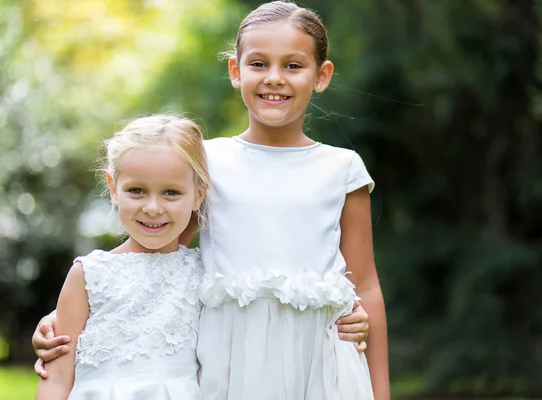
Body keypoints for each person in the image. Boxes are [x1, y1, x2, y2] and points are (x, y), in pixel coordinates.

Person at [33, 1, 387, 399]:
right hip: (231, 356)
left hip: (320, 355)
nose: (274, 78)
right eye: (258, 64)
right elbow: (155, 257)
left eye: (292, 65)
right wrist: (67, 317)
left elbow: (367, 285)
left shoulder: (342, 168)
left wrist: (379, 390)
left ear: (321, 76)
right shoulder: (206, 162)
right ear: (235, 71)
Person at [35, 115, 209, 399]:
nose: (153, 207)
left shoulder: (203, 270)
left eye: (171, 193)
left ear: (198, 195)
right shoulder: (89, 275)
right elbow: (55, 379)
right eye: (137, 191)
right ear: (114, 188)